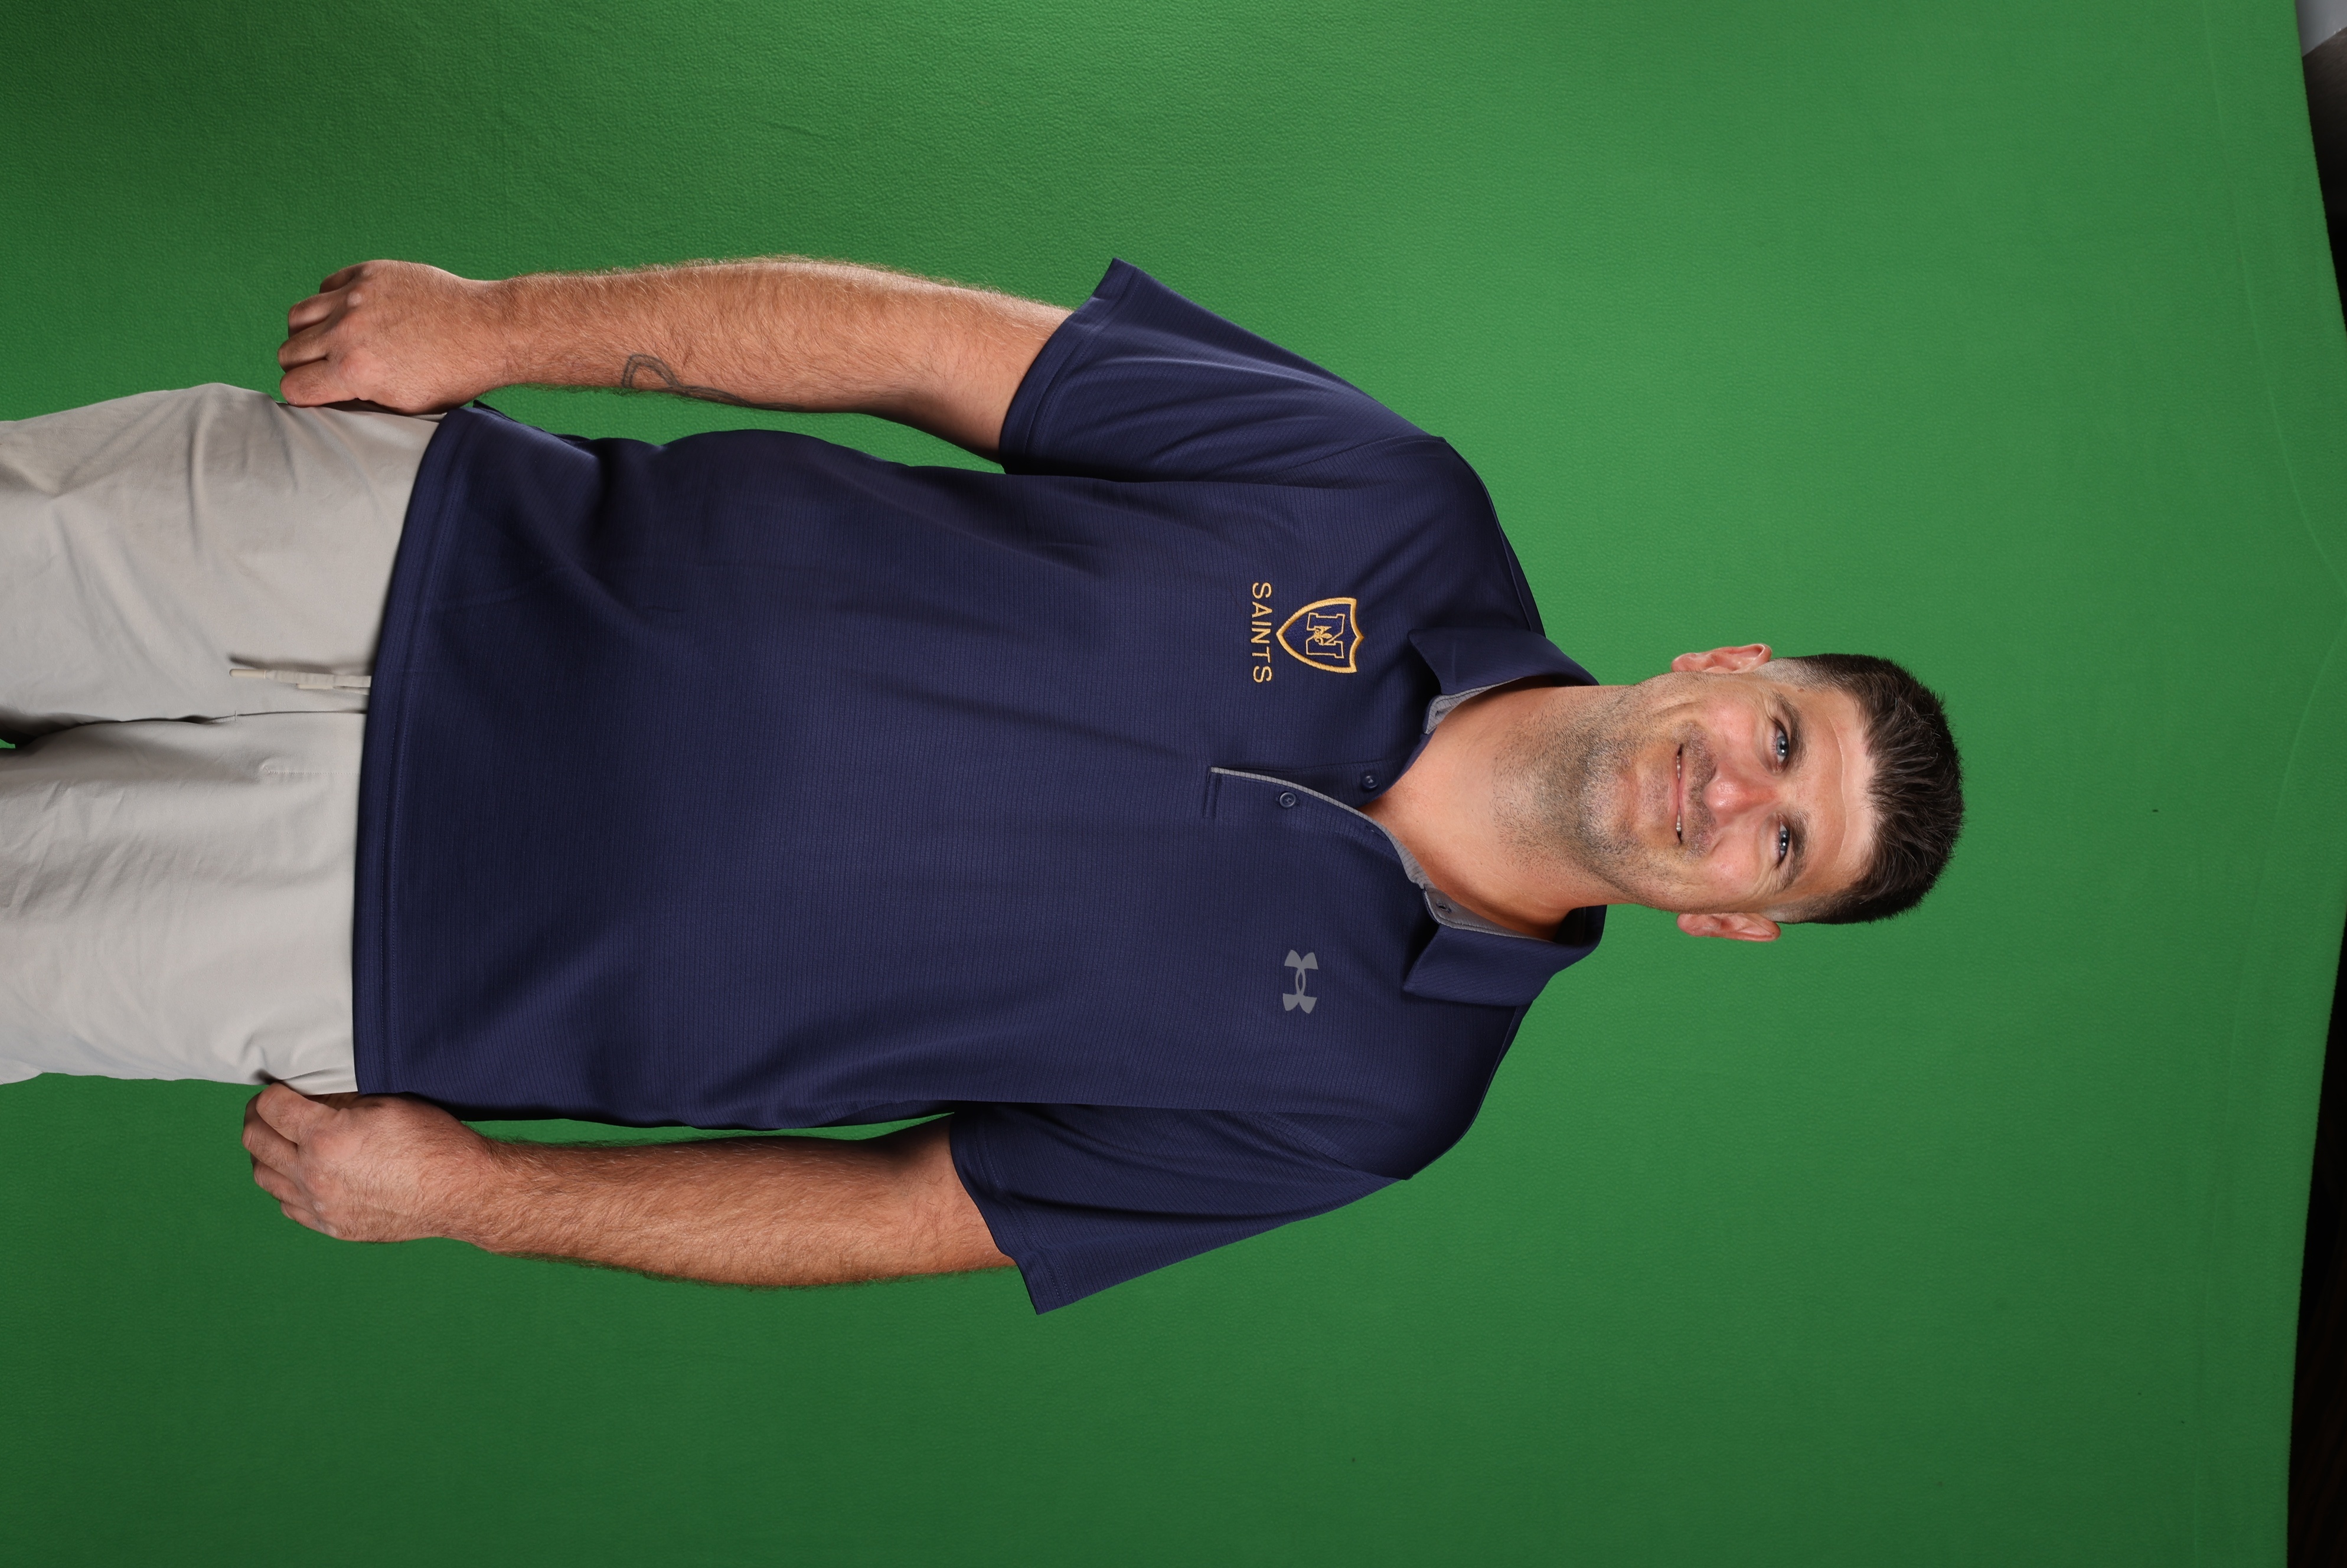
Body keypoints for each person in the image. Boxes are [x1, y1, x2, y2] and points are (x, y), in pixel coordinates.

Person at [0, 255, 1964, 1311]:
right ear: (1729, 667)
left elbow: (900, 1210)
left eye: (1784, 849)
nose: (1736, 795)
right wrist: (502, 323)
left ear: (1738, 923)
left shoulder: (1377, 1101)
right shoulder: (1392, 498)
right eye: (1782, 738)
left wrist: (481, 1198)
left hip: (384, 947)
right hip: (418, 550)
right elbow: (925, 351)